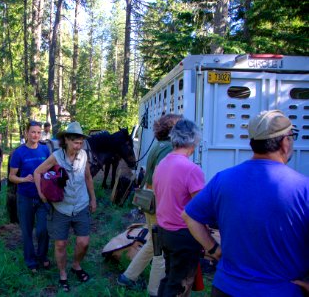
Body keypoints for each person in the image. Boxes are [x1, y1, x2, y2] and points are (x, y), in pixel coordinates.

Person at [182, 110, 309, 297]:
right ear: (284, 142)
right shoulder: (303, 187)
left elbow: (189, 216)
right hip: (281, 290)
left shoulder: (222, 179)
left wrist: (215, 250)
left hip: (226, 288)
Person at [118, 114, 182, 296]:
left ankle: (127, 277)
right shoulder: (169, 148)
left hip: (149, 199)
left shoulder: (159, 146)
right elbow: (165, 179)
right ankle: (155, 291)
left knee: (152, 242)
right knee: (160, 250)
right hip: (158, 200)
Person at [34, 121, 97, 292]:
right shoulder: (56, 156)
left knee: (84, 242)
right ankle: (63, 274)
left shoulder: (84, 155)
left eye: (81, 142)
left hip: (81, 204)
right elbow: (37, 172)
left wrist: (93, 199)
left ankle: (76, 265)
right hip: (61, 207)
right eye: (75, 142)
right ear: (66, 140)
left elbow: (88, 178)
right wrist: (41, 194)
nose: (78, 146)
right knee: (60, 244)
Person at [153, 119, 205, 297]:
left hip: (164, 231)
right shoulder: (191, 169)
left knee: (169, 279)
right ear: (194, 140)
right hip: (183, 234)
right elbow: (201, 209)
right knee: (180, 286)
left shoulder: (162, 163)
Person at [9, 121, 51, 272]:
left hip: (42, 197)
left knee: (43, 229)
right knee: (27, 231)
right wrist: (24, 179)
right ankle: (30, 261)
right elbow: (11, 176)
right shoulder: (19, 153)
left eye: (39, 132)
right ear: (26, 133)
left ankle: (42, 255)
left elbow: (50, 170)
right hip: (25, 197)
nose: (36, 135)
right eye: (33, 132)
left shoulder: (45, 150)